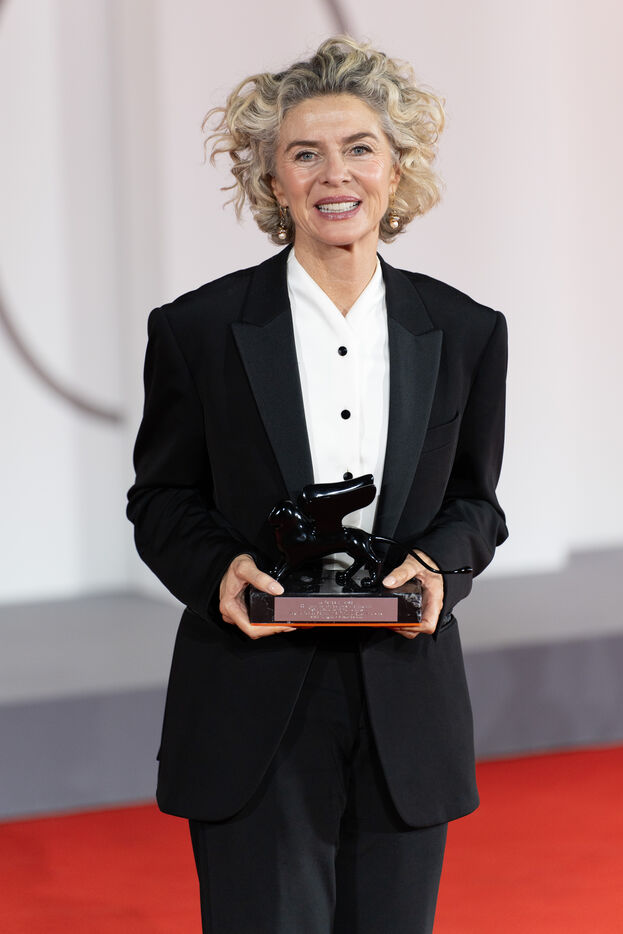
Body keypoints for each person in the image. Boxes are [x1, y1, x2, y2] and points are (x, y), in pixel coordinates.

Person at [126, 35, 508, 934]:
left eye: (358, 148)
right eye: (305, 153)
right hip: (251, 697)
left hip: (403, 700)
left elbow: (475, 504)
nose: (334, 175)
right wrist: (219, 571)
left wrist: (438, 569)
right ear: (273, 180)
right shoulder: (198, 329)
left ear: (395, 168)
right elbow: (161, 499)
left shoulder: (464, 330)